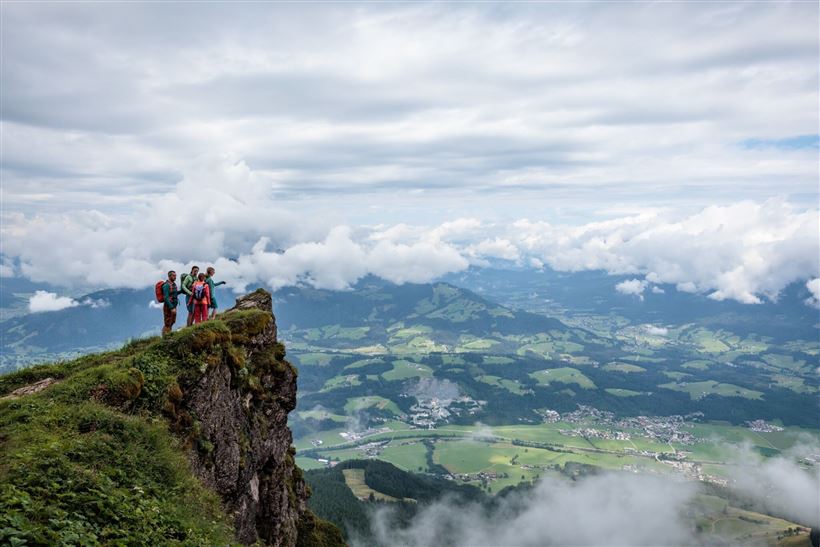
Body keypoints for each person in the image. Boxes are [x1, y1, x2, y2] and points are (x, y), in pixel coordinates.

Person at [161, 270, 181, 335]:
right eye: (174, 275)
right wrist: (171, 307)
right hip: (168, 306)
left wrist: (181, 291)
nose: (175, 277)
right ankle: (165, 336)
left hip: (173, 305)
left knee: (172, 321)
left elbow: (174, 294)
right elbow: (166, 297)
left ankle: (168, 333)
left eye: (175, 276)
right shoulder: (166, 285)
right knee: (167, 322)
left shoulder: (173, 284)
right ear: (169, 276)